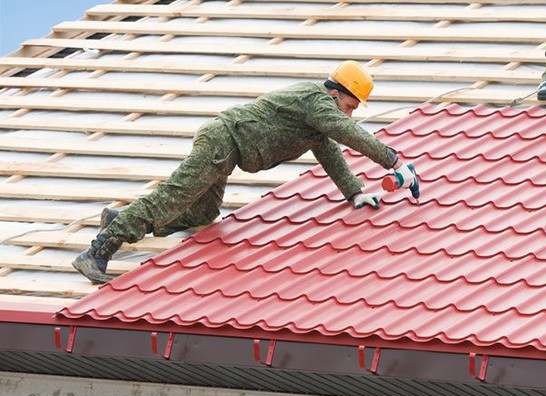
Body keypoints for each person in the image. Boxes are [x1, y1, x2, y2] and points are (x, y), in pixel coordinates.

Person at [72, 60, 416, 284]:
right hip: (223, 141)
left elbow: (330, 152)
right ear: (335, 93)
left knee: (204, 213)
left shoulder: (317, 119)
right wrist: (394, 161)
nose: (350, 116)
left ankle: (120, 218)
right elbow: (347, 134)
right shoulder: (317, 102)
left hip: (229, 148)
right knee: (171, 198)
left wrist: (355, 192)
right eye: (350, 106)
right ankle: (98, 251)